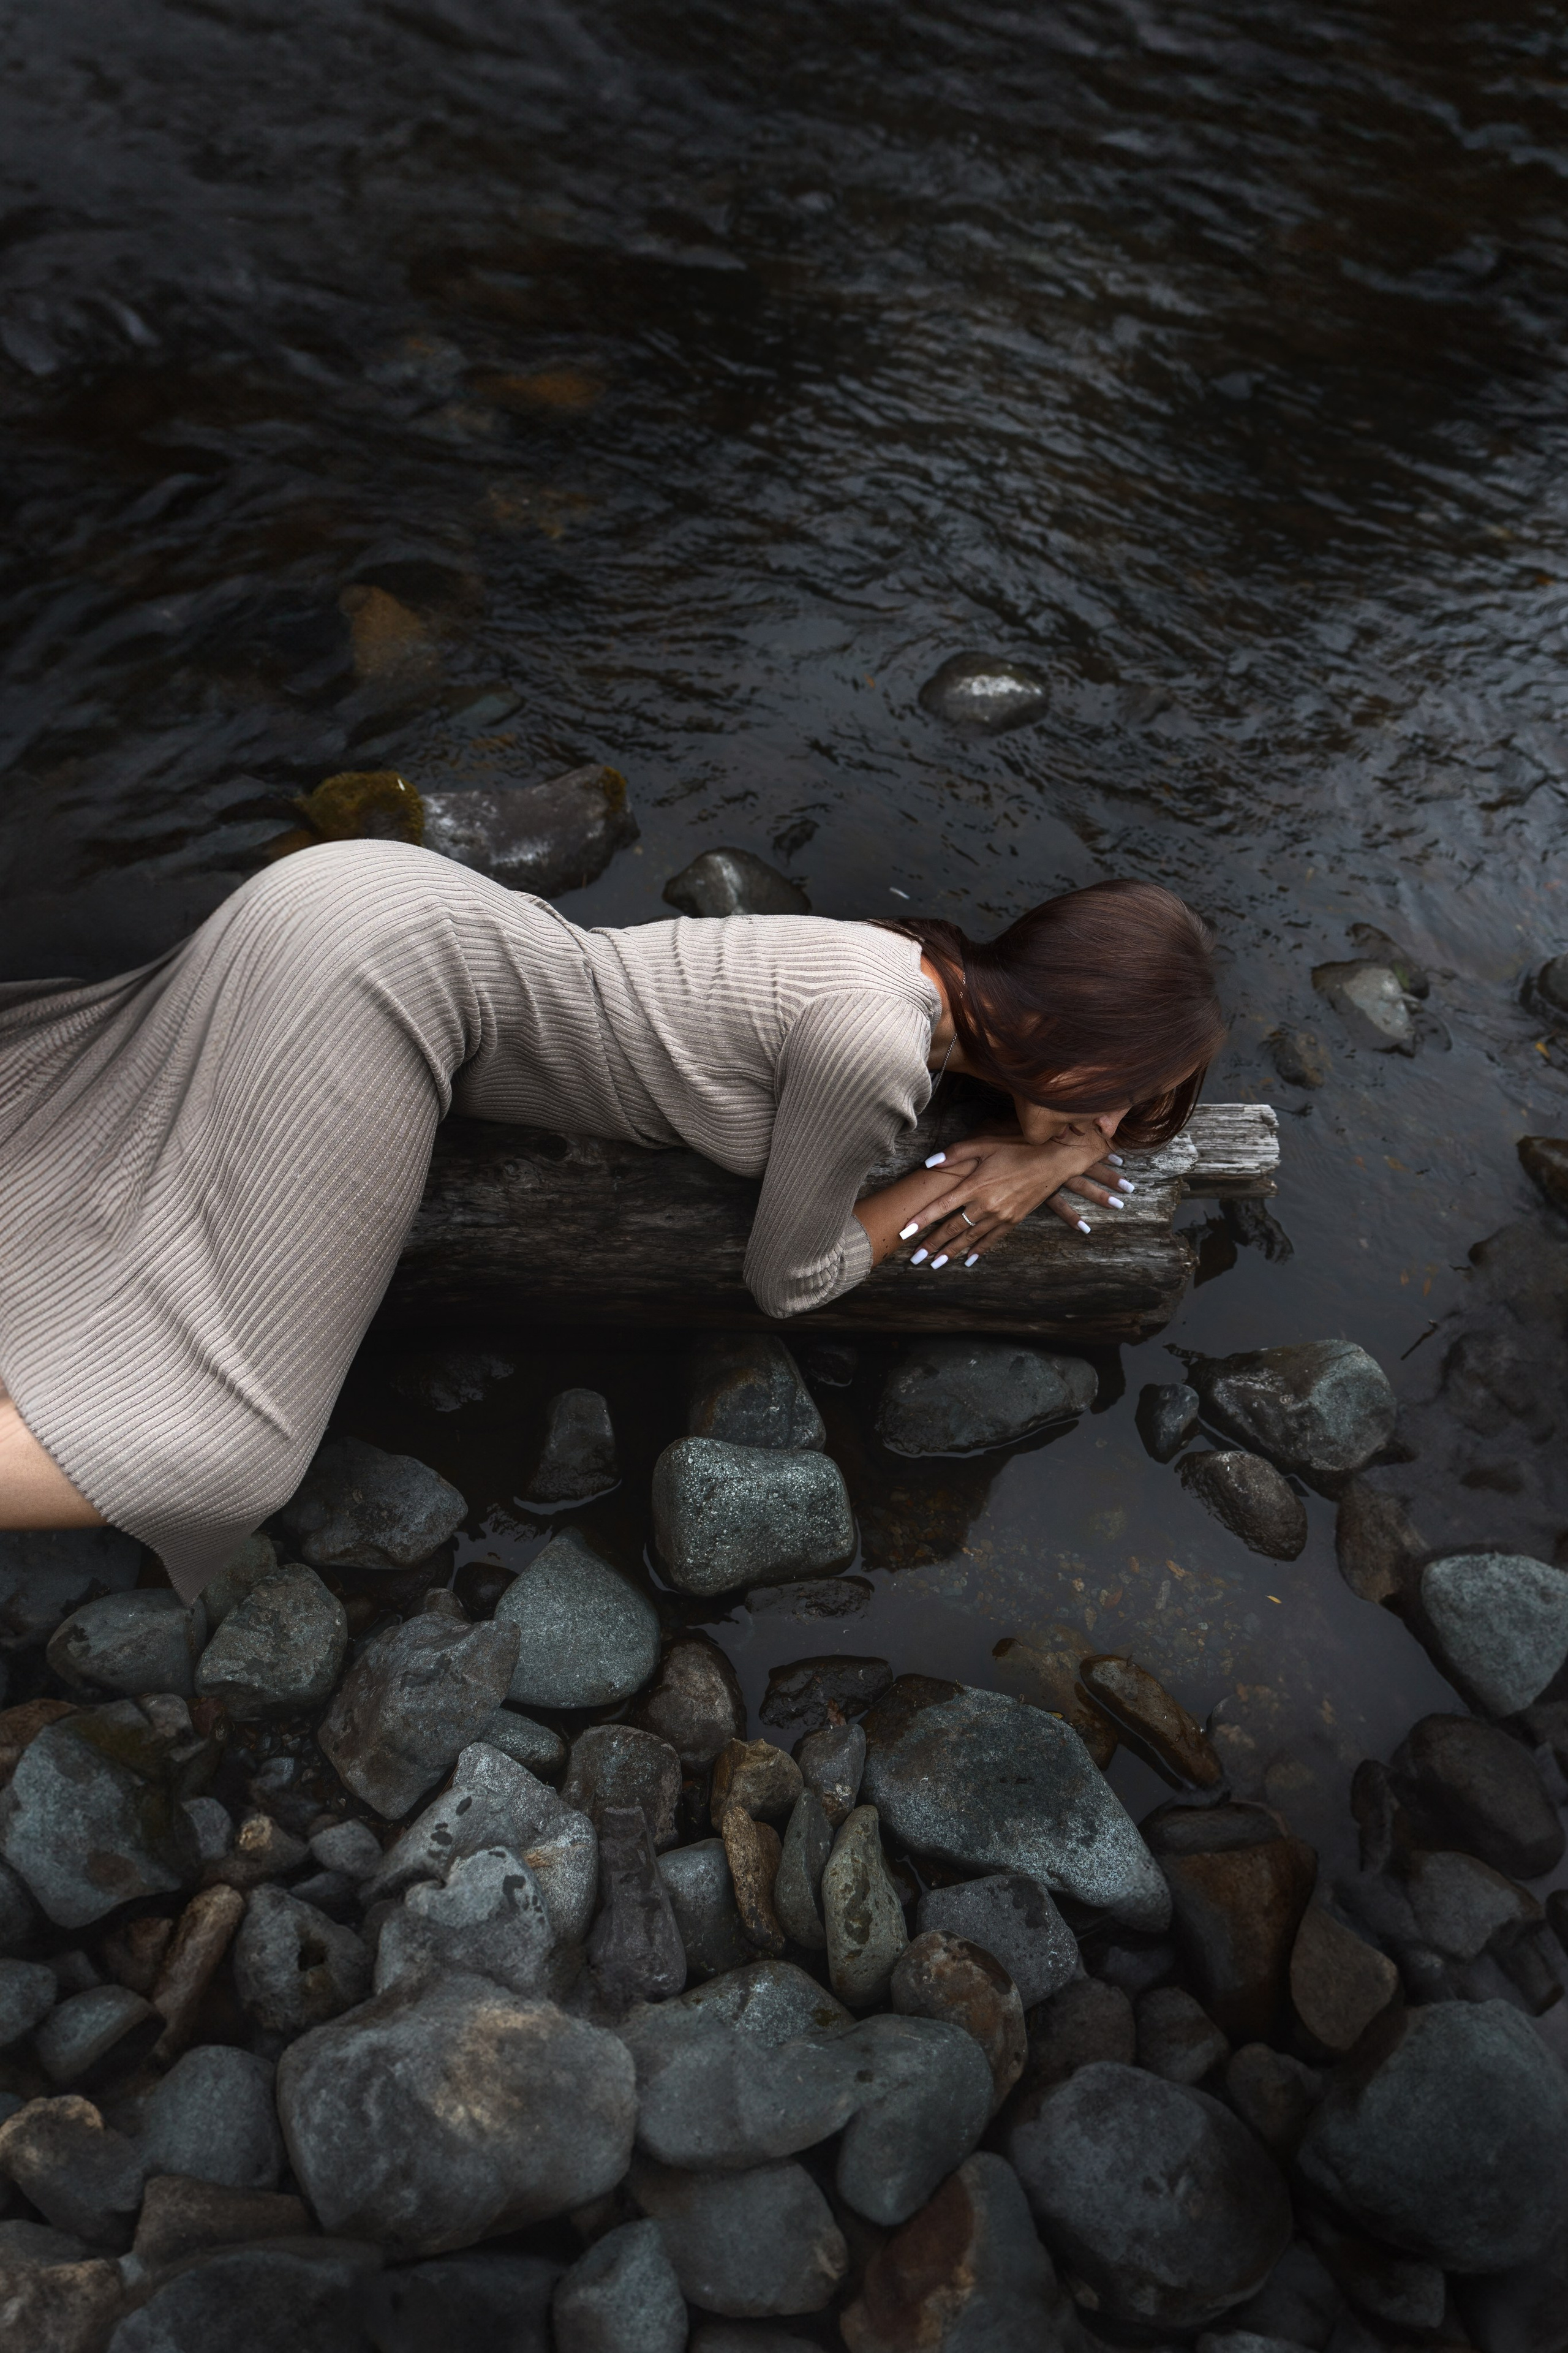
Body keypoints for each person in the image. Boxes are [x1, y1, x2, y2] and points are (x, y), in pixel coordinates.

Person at [0, 842, 1222, 1597]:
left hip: (360, 894)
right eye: (1117, 1102)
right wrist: (977, 1185)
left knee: (72, 1129)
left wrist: (1038, 1132)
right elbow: (788, 1280)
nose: (1107, 1136)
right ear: (1065, 1035)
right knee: (229, 1450)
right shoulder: (876, 1047)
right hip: (391, 994)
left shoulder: (897, 964)